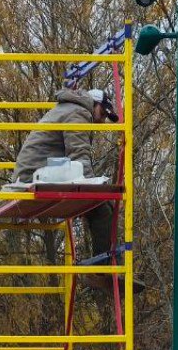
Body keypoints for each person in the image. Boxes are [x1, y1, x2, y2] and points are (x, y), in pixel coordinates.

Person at [8, 87, 118, 261]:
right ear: (94, 104)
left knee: (99, 207)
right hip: (35, 176)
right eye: (103, 114)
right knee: (103, 208)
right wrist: (92, 189)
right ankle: (104, 268)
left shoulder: (66, 109)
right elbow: (79, 153)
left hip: (32, 173)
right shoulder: (79, 113)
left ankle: (102, 265)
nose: (102, 121)